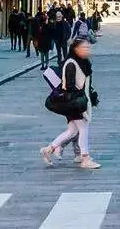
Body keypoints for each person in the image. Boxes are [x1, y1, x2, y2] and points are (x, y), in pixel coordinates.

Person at [41, 36, 101, 169]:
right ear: (75, 49)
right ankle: (85, 157)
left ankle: (49, 149)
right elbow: (69, 87)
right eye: (84, 47)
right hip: (75, 103)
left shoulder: (83, 62)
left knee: (73, 131)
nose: (87, 50)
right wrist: (81, 107)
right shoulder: (71, 64)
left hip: (79, 101)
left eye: (88, 47)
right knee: (83, 128)